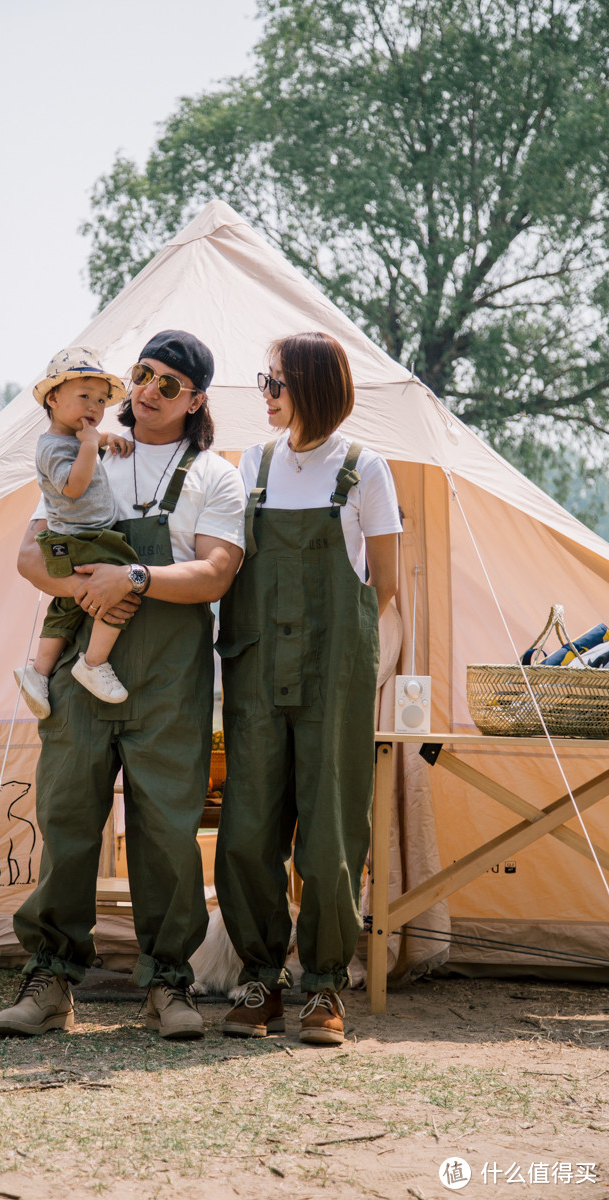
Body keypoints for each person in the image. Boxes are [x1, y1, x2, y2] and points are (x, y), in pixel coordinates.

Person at [0, 330, 246, 1040]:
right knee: (67, 818)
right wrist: (86, 586)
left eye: (169, 384)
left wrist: (130, 575)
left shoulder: (214, 475)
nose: (146, 391)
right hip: (81, 668)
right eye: (141, 374)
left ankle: (170, 984)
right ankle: (50, 979)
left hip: (170, 681)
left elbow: (216, 572)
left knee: (166, 832)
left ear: (195, 400)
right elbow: (28, 557)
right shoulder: (86, 447)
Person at [214, 331, 401, 1046]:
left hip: (333, 680)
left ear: (313, 387)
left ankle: (324, 985)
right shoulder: (251, 464)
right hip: (256, 672)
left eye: (274, 382)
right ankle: (261, 980)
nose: (264, 393)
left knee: (329, 839)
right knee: (245, 833)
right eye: (265, 381)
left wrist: (340, 655)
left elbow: (382, 587)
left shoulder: (365, 469)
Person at [14, 346, 138, 716]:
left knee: (67, 605)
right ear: (53, 398)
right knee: (121, 587)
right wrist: (89, 445)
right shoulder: (53, 447)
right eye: (83, 397)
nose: (94, 408)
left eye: (101, 401)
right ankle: (94, 663)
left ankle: (38, 671)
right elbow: (74, 486)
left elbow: (86, 445)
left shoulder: (73, 440)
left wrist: (103, 440)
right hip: (84, 538)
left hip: (75, 539)